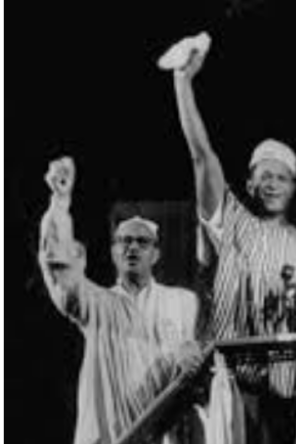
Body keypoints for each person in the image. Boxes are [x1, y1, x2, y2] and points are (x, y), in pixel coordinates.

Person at [164, 32, 296, 444]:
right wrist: (183, 82)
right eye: (264, 176)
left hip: (287, 394)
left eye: (281, 177)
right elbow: (202, 157)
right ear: (249, 183)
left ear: (293, 187)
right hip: (230, 386)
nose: (272, 183)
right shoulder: (234, 223)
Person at [38, 157, 201, 444]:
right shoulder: (98, 304)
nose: (132, 247)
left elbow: (190, 369)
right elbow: (60, 272)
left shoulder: (182, 302)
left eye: (142, 242)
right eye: (124, 241)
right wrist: (59, 202)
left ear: (156, 254)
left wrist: (191, 357)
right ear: (114, 253)